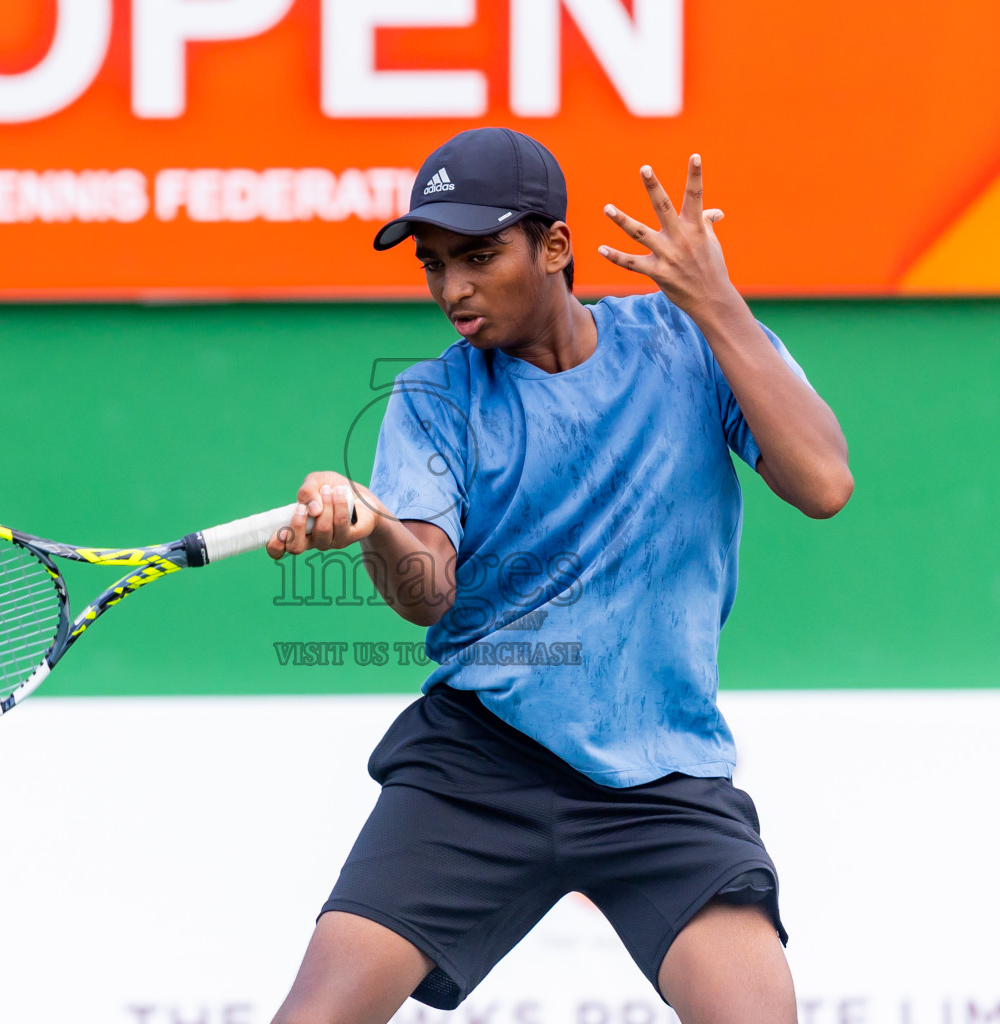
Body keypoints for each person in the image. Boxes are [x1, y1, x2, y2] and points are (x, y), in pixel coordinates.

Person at [263, 127, 852, 1024]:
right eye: (433, 264)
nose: (452, 290)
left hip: (662, 774)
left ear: (556, 248)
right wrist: (376, 524)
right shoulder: (434, 399)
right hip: (480, 760)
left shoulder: (687, 343)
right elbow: (429, 588)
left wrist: (717, 301)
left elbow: (823, 484)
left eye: (479, 256)